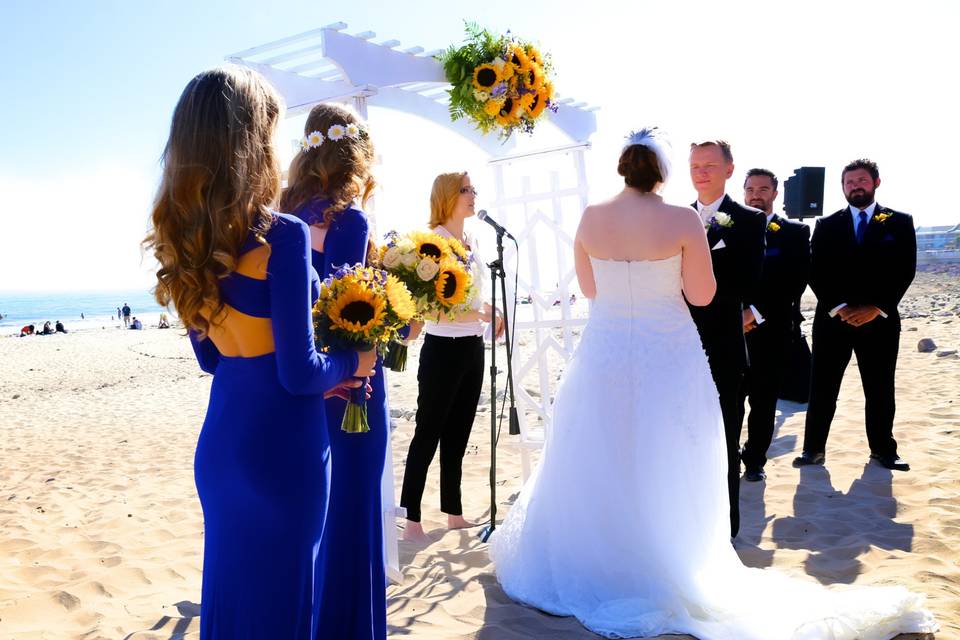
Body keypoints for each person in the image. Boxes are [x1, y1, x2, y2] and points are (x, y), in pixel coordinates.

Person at [490, 128, 937, 639]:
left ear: (621, 168)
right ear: (664, 172)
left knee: (599, 449)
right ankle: (668, 555)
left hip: (604, 354)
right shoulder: (681, 219)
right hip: (667, 350)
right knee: (674, 451)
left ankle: (604, 556)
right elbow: (702, 296)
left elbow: (591, 288)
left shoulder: (591, 217)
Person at [143, 66, 376, 640]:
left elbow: (212, 360)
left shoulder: (187, 236)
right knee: (285, 612)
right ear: (253, 139)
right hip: (283, 452)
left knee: (231, 607)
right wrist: (355, 364)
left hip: (222, 444)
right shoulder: (283, 234)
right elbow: (300, 375)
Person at [280, 101, 393, 640]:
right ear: (357, 153)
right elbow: (349, 313)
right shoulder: (350, 221)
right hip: (354, 390)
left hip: (301, 391)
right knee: (354, 517)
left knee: (316, 526)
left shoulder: (283, 216)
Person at [400, 171, 504, 543]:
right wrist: (480, 315)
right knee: (428, 432)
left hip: (472, 346)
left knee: (459, 433)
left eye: (474, 188)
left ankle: (453, 513)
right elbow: (431, 310)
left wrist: (491, 311)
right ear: (447, 195)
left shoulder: (472, 240)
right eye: (465, 190)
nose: (473, 195)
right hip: (442, 350)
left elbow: (469, 297)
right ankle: (411, 518)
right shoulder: (433, 245)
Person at [794, 159, 916, 472]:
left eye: (861, 180)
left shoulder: (900, 222)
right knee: (822, 388)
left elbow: (905, 270)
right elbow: (815, 270)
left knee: (879, 388)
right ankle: (813, 450)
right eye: (849, 182)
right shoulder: (827, 225)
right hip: (834, 320)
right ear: (843, 187)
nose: (855, 186)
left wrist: (875, 307)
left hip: (880, 322)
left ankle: (883, 450)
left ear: (876, 182)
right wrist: (840, 308)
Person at [687, 140, 765, 537]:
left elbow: (748, 278)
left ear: (730, 169)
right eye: (695, 164)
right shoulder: (676, 218)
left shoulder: (749, 219)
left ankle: (726, 528)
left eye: (710, 165)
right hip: (678, 346)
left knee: (725, 437)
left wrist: (704, 269)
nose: (701, 171)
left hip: (724, 345)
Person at [739, 168, 810, 481]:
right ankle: (728, 458)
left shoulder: (794, 232)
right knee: (729, 402)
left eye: (763, 189)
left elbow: (793, 282)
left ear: (775, 194)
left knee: (764, 402)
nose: (756, 194)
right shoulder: (727, 226)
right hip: (732, 333)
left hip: (772, 331)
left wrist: (754, 312)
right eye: (751, 188)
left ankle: (754, 461)